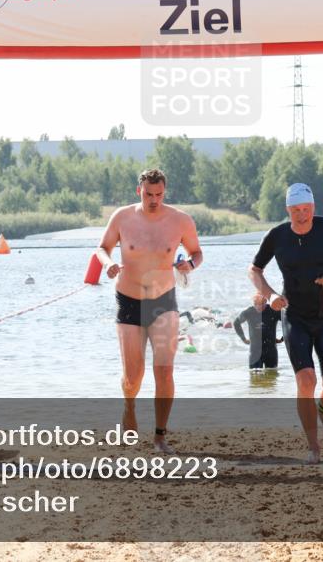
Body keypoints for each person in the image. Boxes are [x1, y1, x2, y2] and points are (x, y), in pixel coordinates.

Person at [248, 182, 323, 464]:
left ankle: (322, 410)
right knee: (306, 380)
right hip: (294, 316)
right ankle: (313, 446)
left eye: (306, 209)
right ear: (288, 210)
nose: (302, 215)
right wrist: (270, 294)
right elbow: (255, 269)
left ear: (313, 208)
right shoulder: (278, 236)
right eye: (296, 210)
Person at [95, 168, 202, 453]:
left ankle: (159, 435)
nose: (154, 200)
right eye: (148, 194)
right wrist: (108, 264)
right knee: (133, 376)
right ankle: (129, 405)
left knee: (164, 371)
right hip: (128, 300)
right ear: (138, 191)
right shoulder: (122, 216)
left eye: (159, 194)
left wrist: (189, 265)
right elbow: (102, 248)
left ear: (164, 193)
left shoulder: (180, 220)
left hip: (163, 301)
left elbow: (197, 252)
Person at [233, 293, 282, 370]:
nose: (259, 306)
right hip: (255, 351)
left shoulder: (273, 311)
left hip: (271, 350)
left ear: (266, 302)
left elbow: (288, 321)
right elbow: (236, 323)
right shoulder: (248, 312)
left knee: (272, 376)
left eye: (262, 304)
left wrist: (283, 338)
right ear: (253, 303)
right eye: (256, 304)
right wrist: (243, 339)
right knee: (255, 376)